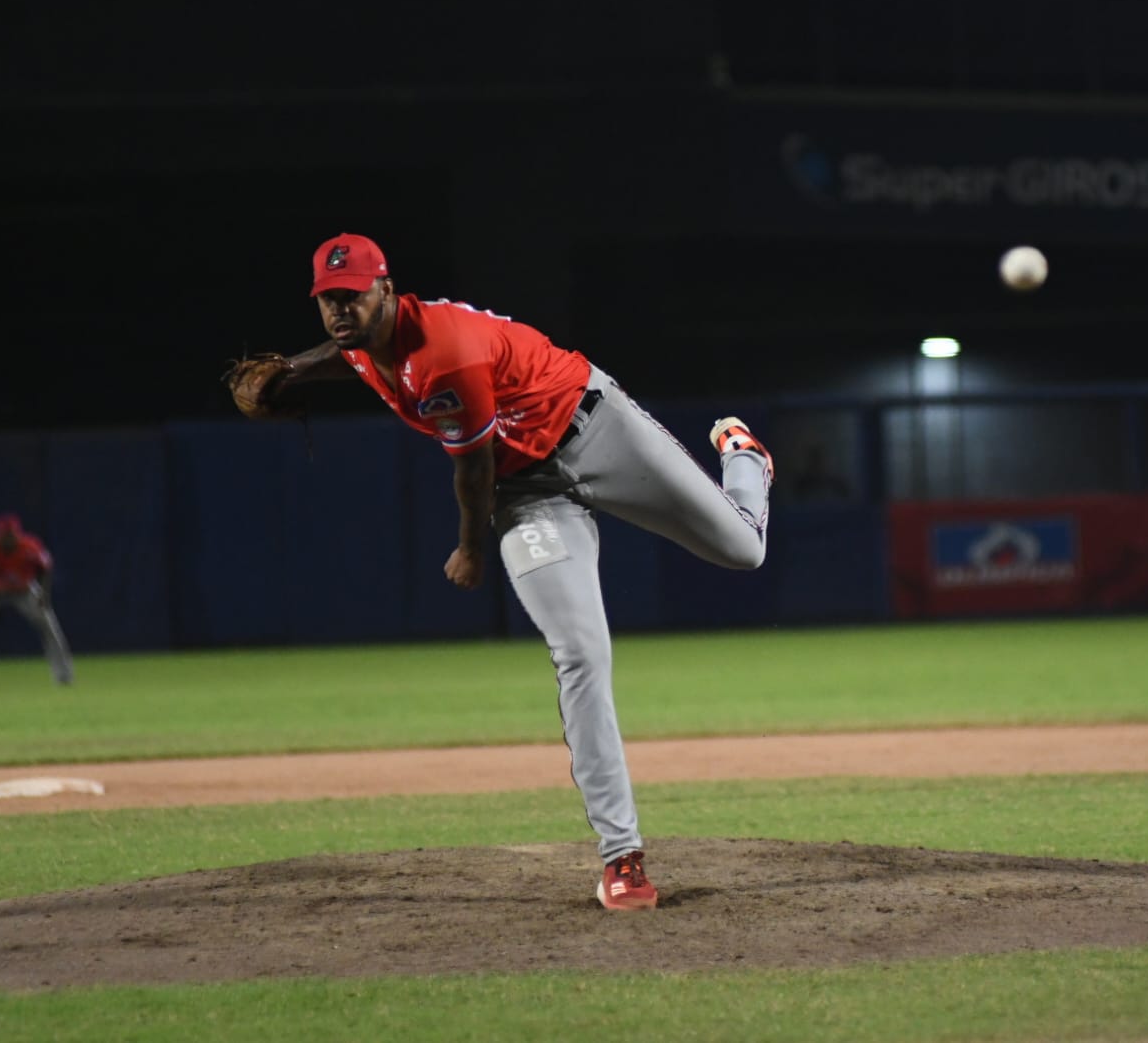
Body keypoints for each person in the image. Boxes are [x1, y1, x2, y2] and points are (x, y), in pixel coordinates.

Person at [243, 233, 773, 912]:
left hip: (591, 427)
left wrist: (471, 548)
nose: (339, 311)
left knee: (742, 550)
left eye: (351, 296)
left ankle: (745, 459)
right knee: (580, 654)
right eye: (327, 300)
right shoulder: (363, 339)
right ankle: (622, 857)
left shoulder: (443, 355)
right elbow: (351, 356)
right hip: (531, 495)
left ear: (387, 289)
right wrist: (291, 368)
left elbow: (473, 469)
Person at [0, 513, 74, 686]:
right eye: (5, 535)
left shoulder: (29, 546)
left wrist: (44, 594)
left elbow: (46, 568)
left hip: (23, 591)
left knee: (49, 625)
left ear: (17, 534)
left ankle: (64, 675)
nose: (8, 539)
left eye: (11, 534)